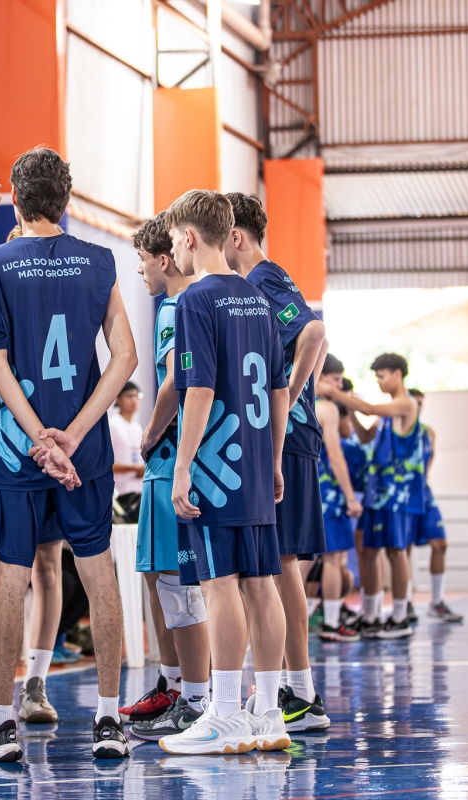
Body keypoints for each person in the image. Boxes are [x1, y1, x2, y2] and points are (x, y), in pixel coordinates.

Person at [0, 146, 138, 762]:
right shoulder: (101, 260)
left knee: (10, 574)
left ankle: (0, 721)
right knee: (98, 574)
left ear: (17, 202)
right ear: (67, 200)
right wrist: (75, 434)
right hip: (83, 453)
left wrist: (39, 437)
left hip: (17, 450)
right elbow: (125, 358)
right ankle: (108, 720)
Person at [156, 190, 291, 756]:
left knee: (220, 585)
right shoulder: (258, 297)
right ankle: (270, 713)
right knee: (262, 585)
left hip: (218, 466)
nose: (172, 251)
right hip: (256, 462)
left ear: (189, 237)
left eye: (173, 240)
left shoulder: (195, 298)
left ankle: (227, 713)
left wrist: (183, 465)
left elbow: (199, 390)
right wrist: (275, 459)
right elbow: (280, 390)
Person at [224, 192, 330, 733]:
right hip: (282, 434)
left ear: (235, 236)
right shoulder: (256, 285)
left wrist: (287, 396)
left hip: (285, 438)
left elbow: (314, 332)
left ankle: (301, 693)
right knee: (277, 564)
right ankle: (294, 688)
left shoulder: (264, 278)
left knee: (282, 563)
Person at [0, 223, 69, 730]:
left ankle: (36, 682)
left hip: (54, 449)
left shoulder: (59, 309)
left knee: (48, 566)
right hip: (6, 455)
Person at [121, 212, 210, 741]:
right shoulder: (181, 305)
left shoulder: (178, 307)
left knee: (179, 587)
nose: (139, 271)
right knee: (160, 580)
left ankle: (196, 700)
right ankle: (174, 686)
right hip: (172, 463)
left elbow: (178, 378)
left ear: (164, 258)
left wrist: (150, 432)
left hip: (174, 459)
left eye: (141, 260)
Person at [328, 353, 422, 640]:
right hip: (376, 491)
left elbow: (368, 408)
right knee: (368, 551)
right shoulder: (388, 412)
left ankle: (400, 616)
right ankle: (370, 616)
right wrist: (350, 410)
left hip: (395, 493)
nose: (379, 382)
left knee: (395, 551)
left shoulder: (406, 404)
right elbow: (366, 435)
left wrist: (335, 393)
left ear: (397, 374)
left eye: (381, 377)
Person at [314, 355, 363, 642]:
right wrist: (351, 497)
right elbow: (335, 455)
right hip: (328, 493)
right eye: (335, 380)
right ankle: (331, 624)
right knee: (334, 559)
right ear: (320, 377)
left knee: (299, 562)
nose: (339, 385)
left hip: (307, 490)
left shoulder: (294, 399)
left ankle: (298, 620)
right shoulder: (327, 407)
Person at [409, 389, 462, 623]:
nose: (418, 407)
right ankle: (405, 604)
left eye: (421, 403)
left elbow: (427, 464)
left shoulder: (428, 432)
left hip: (423, 492)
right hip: (401, 494)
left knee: (440, 543)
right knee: (402, 549)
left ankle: (437, 602)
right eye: (414, 402)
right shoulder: (390, 427)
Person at [109, 382, 145, 522]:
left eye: (137, 396)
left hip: (137, 491)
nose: (134, 400)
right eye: (129, 396)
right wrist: (135, 469)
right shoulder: (113, 425)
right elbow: (106, 463)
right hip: (119, 492)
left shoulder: (137, 428)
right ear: (118, 399)